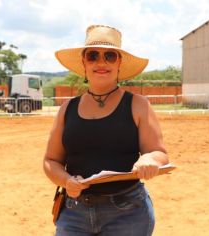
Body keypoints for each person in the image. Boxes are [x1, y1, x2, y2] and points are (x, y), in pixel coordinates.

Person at [43, 24, 169, 236]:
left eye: (110, 56)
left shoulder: (138, 105)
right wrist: (66, 181)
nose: (101, 62)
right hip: (74, 213)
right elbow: (50, 160)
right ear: (84, 62)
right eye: (93, 55)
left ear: (119, 62)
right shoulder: (67, 109)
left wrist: (150, 160)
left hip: (128, 214)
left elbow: (159, 152)